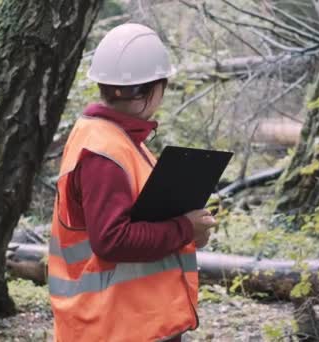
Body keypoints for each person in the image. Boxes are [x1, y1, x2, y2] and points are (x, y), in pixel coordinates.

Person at [47, 23, 218, 341]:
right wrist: (184, 228)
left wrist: (191, 231)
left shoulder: (116, 140)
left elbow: (140, 221)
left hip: (134, 321)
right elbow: (112, 240)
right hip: (115, 327)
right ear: (152, 89)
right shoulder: (105, 151)